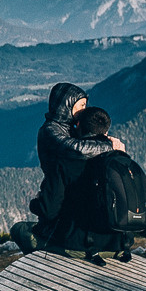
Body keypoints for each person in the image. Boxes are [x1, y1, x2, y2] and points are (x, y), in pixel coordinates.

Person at [11, 83, 124, 256]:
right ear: (66, 105)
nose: (84, 111)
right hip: (61, 191)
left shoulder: (72, 129)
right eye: (81, 106)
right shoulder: (50, 130)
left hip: (65, 203)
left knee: (25, 230)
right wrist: (108, 145)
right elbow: (76, 148)